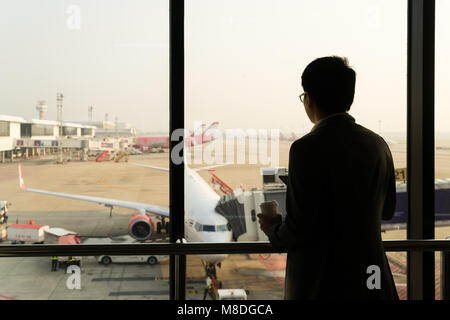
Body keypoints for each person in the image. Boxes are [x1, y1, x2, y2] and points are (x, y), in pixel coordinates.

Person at [258, 56, 398, 300]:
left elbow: (300, 229)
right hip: (373, 278)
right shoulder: (378, 145)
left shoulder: (305, 148)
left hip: (323, 283)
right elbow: (387, 211)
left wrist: (273, 230)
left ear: (309, 99)